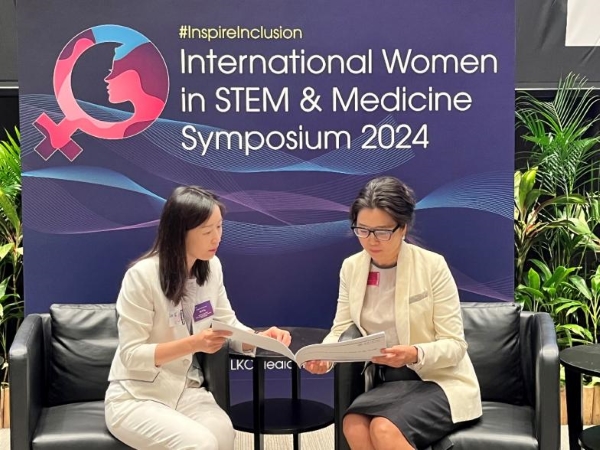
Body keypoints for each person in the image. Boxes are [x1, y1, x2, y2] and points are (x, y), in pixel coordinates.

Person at [104, 186, 291, 450]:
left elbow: (228, 325)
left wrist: (260, 339)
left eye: (220, 227)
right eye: (206, 231)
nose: (217, 237)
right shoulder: (142, 276)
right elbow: (131, 355)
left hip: (186, 389)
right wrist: (195, 343)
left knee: (223, 435)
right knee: (201, 444)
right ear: (179, 232)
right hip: (137, 395)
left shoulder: (212, 268)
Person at [305, 176, 482, 450]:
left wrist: (414, 353)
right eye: (363, 230)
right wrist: (325, 357)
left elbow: (456, 345)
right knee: (353, 425)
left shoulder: (432, 266)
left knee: (384, 429)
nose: (371, 240)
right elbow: (341, 328)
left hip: (439, 380)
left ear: (403, 227)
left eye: (382, 231)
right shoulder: (352, 267)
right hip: (390, 381)